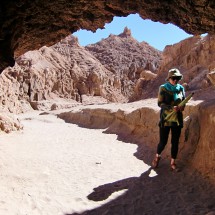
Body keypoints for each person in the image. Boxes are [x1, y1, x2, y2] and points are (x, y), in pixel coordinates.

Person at [152, 68, 185, 171]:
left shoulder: (181, 88)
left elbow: (183, 102)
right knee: (163, 142)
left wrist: (181, 107)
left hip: (177, 120)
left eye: (177, 78)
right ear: (169, 78)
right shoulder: (163, 88)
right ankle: (157, 156)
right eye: (173, 78)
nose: (175, 80)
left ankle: (173, 163)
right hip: (165, 119)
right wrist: (171, 108)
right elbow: (160, 103)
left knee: (175, 142)